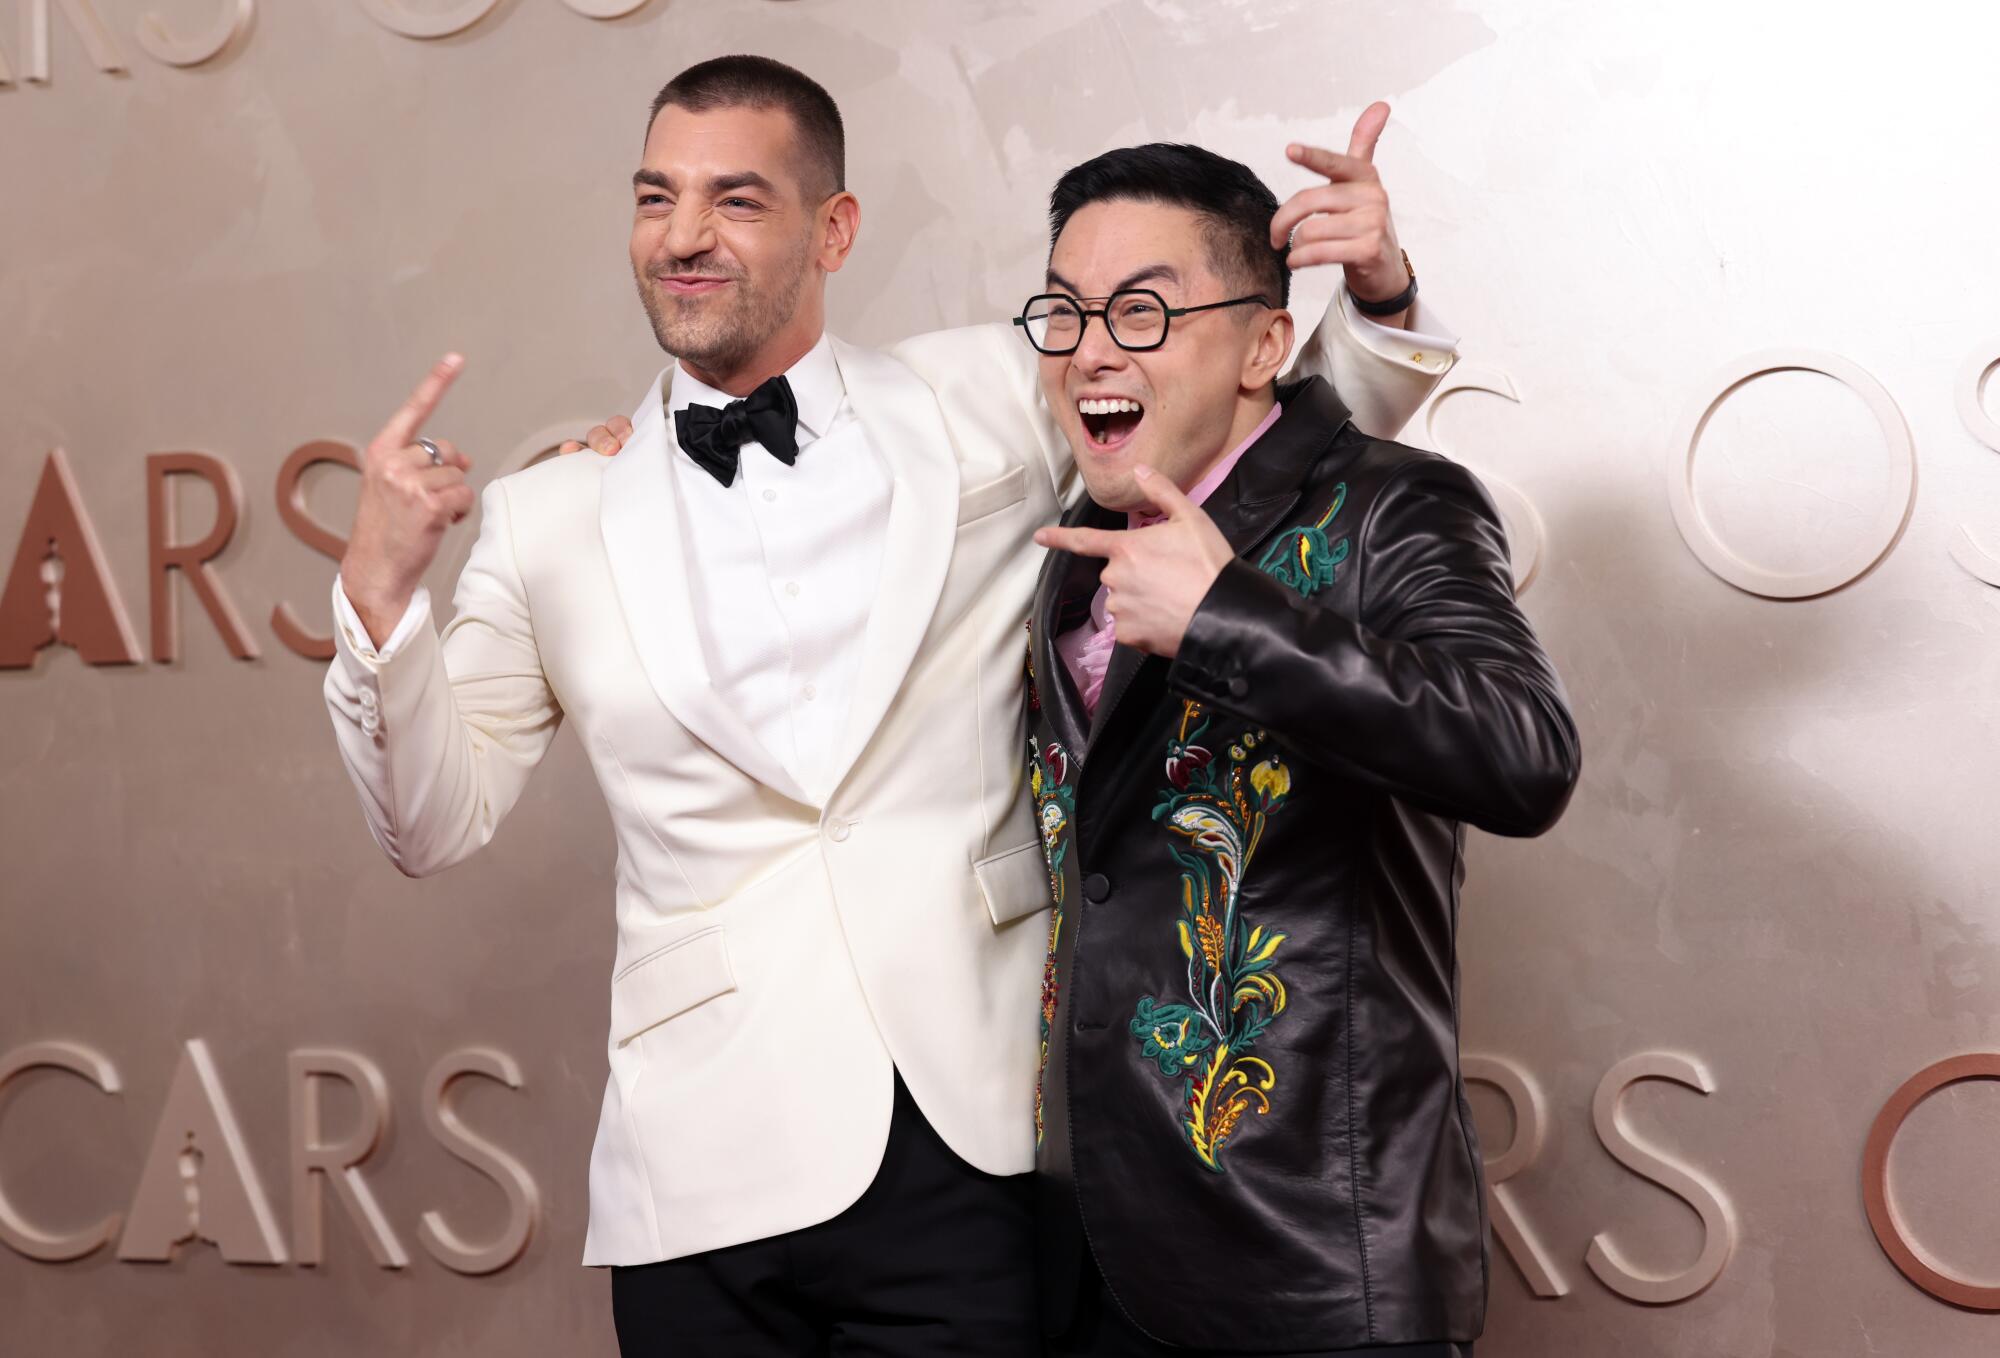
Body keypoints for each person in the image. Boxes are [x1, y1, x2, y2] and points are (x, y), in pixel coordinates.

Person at [324, 56, 1452, 1357]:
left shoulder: (984, 391)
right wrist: (382, 602)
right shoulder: (549, 516)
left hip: (976, 1138)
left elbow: (1253, 463)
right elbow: (429, 822)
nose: (683, 236)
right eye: (656, 198)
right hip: (696, 1173)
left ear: (834, 230)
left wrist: (1380, 297)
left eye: (737, 200)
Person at [1022, 144, 1580, 1356]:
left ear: (1265, 347)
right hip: (1080, 1250)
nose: (1089, 348)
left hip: (1310, 1260)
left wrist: (1225, 618)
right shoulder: (1070, 525)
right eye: (1062, 311)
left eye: (1142, 309)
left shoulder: (1393, 504)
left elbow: (1524, 750)